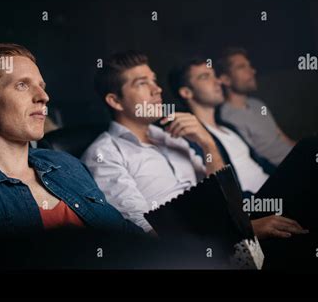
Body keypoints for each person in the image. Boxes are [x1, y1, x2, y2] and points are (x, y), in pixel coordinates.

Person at [0, 43, 142, 242]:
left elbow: (128, 237)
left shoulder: (68, 165)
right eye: (22, 85)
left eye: (41, 86)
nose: (43, 97)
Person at [168, 57, 318, 240]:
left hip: (274, 188)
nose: (217, 81)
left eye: (214, 75)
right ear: (186, 92)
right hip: (252, 205)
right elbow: (214, 194)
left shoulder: (229, 127)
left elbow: (263, 164)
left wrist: (310, 180)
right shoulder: (190, 138)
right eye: (205, 77)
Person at [82, 51, 225, 234]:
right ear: (116, 101)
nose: (157, 89)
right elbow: (148, 233)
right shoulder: (105, 154)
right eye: (142, 83)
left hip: (223, 232)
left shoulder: (171, 135)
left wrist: (207, 143)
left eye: (154, 80)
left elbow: (221, 195)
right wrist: (232, 232)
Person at [217, 47, 295, 166]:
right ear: (226, 79)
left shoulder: (257, 104)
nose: (252, 71)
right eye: (241, 67)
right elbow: (255, 161)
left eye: (249, 66)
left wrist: (308, 150)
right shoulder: (227, 118)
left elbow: (283, 138)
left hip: (299, 159)